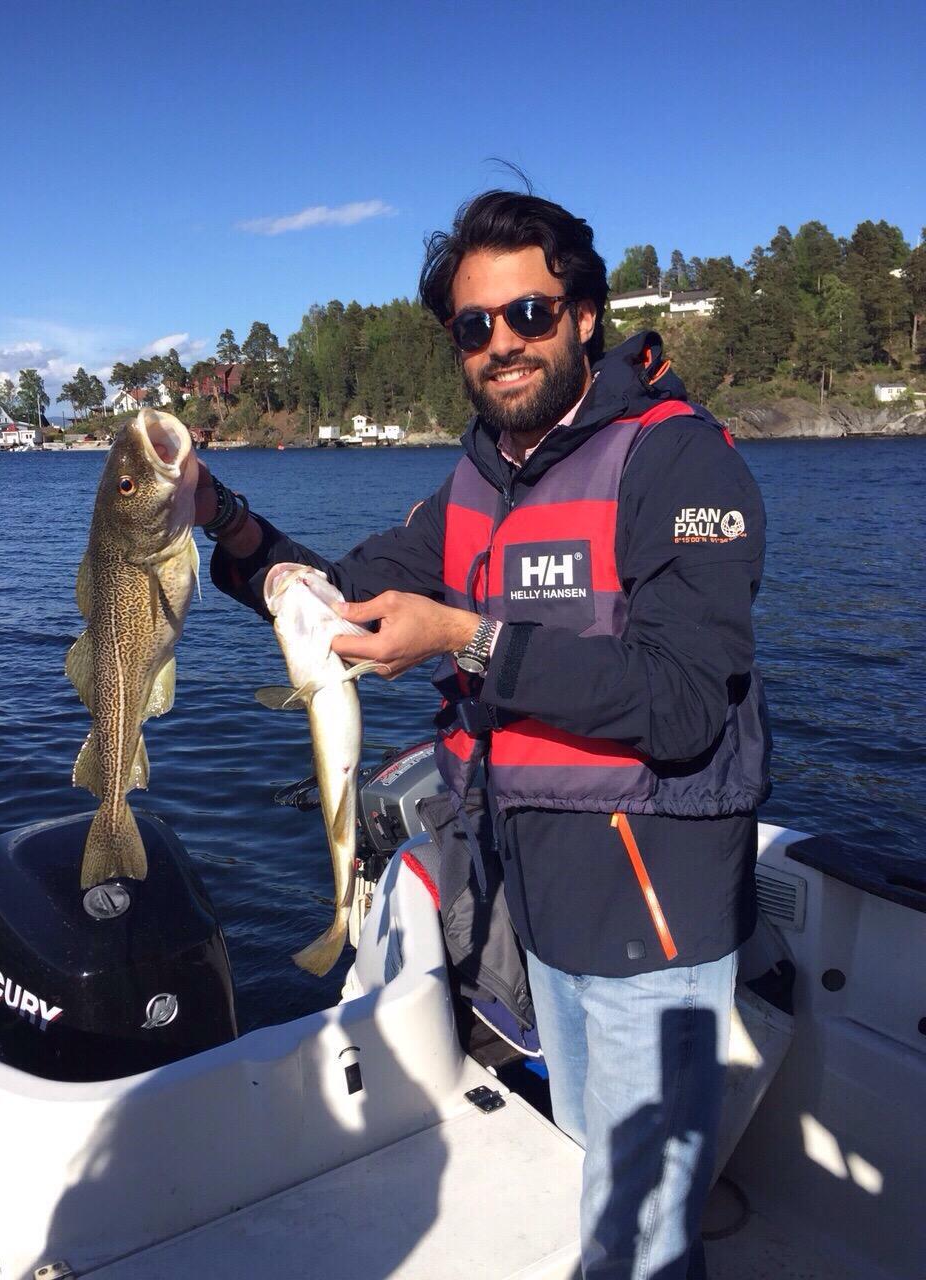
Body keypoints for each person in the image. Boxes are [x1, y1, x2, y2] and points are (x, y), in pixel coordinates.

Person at [196, 190, 770, 1279]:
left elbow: (687, 698)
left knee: (644, 1228)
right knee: (597, 1157)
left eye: (531, 314)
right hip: (536, 889)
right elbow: (325, 593)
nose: (503, 343)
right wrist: (214, 514)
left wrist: (467, 638)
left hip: (657, 905)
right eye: (475, 325)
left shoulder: (680, 463)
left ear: (586, 313)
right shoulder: (472, 484)